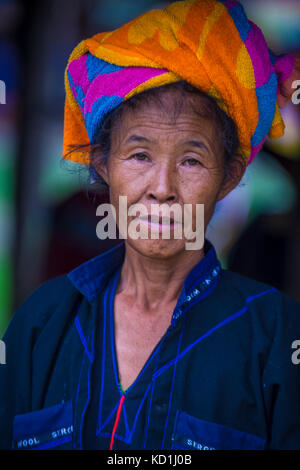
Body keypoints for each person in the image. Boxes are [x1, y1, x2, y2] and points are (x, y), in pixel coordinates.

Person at [1, 0, 300, 451]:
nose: (162, 188)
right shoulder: (41, 322)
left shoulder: (276, 335)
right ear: (103, 164)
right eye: (140, 155)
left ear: (230, 177)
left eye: (192, 160)